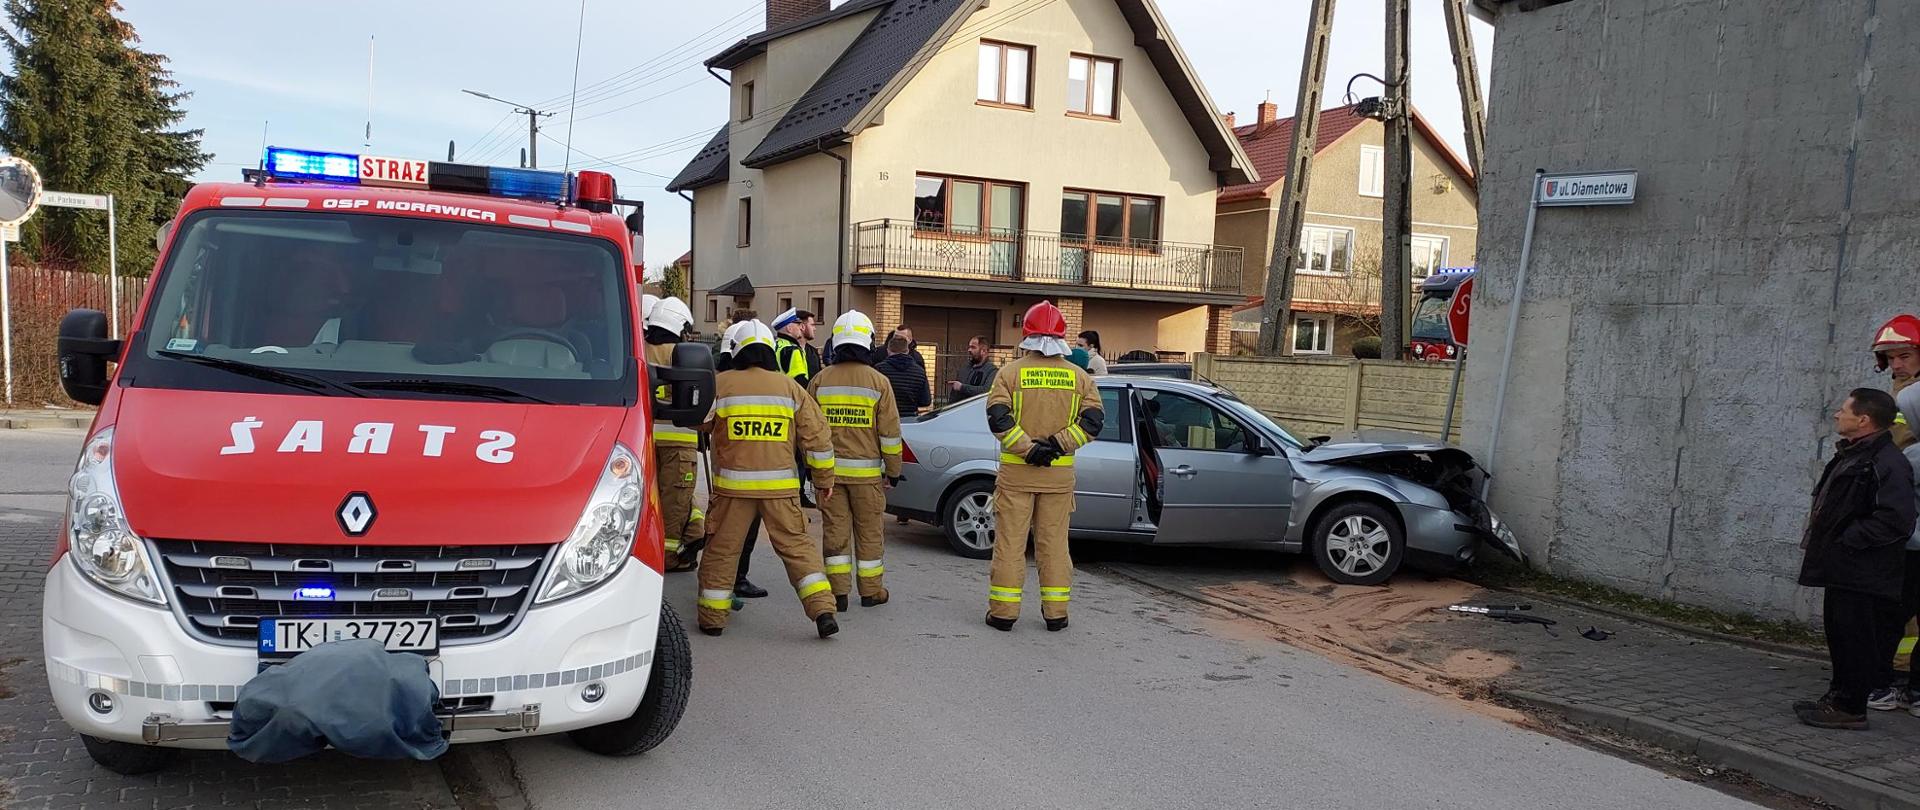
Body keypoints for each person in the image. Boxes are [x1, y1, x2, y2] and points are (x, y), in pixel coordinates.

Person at [696, 320, 840, 638]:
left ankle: (712, 620)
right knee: (798, 548)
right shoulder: (789, 388)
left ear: (739, 350)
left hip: (733, 491)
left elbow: (701, 424)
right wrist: (824, 480)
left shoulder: (722, 384)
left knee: (722, 550)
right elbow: (817, 437)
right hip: (780, 491)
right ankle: (822, 610)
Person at [1795, 388, 1917, 729]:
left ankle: (1851, 707)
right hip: (1843, 565)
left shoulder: (1886, 462)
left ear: (1863, 419)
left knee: (1856, 637)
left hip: (1862, 570)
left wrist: (1849, 539)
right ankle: (1838, 697)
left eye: (1843, 410)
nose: (1837, 414)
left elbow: (1897, 519)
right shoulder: (1854, 454)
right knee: (1840, 633)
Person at [983, 301, 1103, 632]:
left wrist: (1029, 450)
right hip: (1058, 479)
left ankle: (1004, 613)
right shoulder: (1080, 377)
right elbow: (1093, 422)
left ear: (1027, 335)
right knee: (1053, 546)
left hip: (1016, 476)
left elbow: (998, 417)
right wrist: (1057, 445)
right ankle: (1056, 614)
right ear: (1062, 338)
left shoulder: (1009, 374)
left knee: (1010, 544)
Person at [809, 310, 904, 610]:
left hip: (830, 477)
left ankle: (838, 593)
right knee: (870, 533)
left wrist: (811, 469)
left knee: (835, 534)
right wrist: (894, 471)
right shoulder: (879, 382)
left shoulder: (820, 381)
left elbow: (808, 431)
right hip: (867, 479)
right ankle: (871, 591)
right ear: (868, 342)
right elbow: (890, 434)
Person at [644, 297, 706, 572]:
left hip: (643, 443)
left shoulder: (637, 349)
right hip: (678, 445)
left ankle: (690, 537)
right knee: (675, 504)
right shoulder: (683, 354)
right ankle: (669, 557)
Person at [1871, 383, 1920, 713]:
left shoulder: (1911, 457)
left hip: (1911, 549)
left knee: (1890, 616)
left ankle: (1880, 687)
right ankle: (1916, 692)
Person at [1873, 315, 1920, 448]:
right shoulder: (1900, 386)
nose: (1896, 365)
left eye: (1904, 356)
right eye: (1890, 358)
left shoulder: (1914, 393)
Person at [877, 335, 931, 419]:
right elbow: (926, 401)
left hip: (885, 418)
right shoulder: (920, 372)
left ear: (888, 350)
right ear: (908, 350)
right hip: (910, 418)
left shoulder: (879, 370)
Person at [772, 308, 824, 387]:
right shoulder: (792, 349)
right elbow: (799, 381)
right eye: (798, 324)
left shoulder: (776, 345)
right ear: (789, 328)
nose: (801, 328)